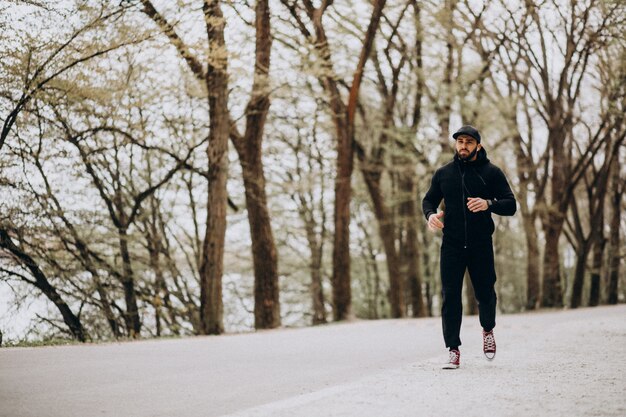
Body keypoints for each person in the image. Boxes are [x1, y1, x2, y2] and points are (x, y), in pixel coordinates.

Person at [422, 125, 516, 369]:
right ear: (456, 144)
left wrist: (488, 204)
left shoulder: (491, 173)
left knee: (485, 292)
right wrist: (430, 214)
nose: (463, 146)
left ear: (478, 146)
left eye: (468, 142)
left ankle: (487, 330)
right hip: (451, 244)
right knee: (450, 297)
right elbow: (429, 199)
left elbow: (510, 204)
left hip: (480, 243)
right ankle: (453, 350)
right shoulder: (444, 173)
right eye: (460, 141)